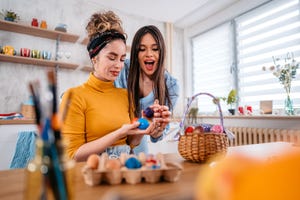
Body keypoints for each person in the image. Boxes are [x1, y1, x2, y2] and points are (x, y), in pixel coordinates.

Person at [59, 11, 156, 162]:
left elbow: (132, 143)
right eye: (112, 57)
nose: (118, 65)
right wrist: (118, 133)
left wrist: (146, 122)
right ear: (94, 58)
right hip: (93, 174)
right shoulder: (74, 96)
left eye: (122, 59)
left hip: (124, 170)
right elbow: (72, 155)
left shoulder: (126, 95)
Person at [115, 25, 179, 154]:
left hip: (139, 143)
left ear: (161, 53)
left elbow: (156, 137)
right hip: (116, 139)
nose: (149, 54)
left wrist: (158, 130)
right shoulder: (123, 69)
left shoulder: (171, 85)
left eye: (155, 49)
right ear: (136, 54)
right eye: (142, 49)